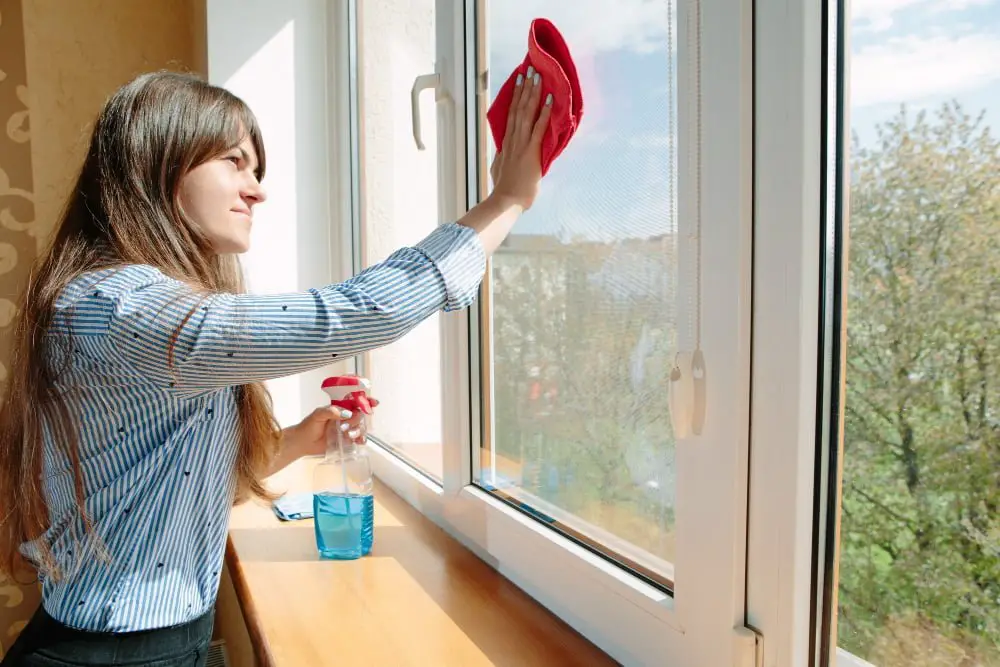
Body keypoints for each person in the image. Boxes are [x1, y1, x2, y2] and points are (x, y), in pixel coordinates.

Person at [0, 67, 552, 666]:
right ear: (156, 161)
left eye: (256, 169)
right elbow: (359, 312)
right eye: (234, 162)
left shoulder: (152, 314)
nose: (257, 189)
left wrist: (297, 442)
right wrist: (506, 201)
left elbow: (169, 490)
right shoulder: (116, 309)